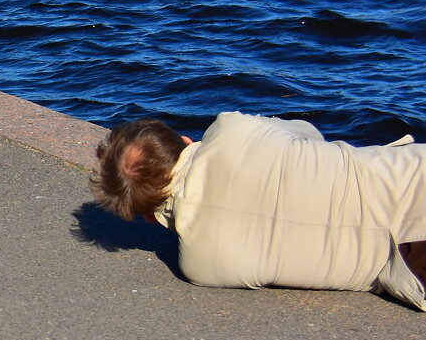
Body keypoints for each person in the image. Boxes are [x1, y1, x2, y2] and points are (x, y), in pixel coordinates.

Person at [91, 111, 426, 311]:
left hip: (412, 264)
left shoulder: (202, 266)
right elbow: (310, 135)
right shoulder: (232, 129)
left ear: (149, 216)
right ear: (184, 139)